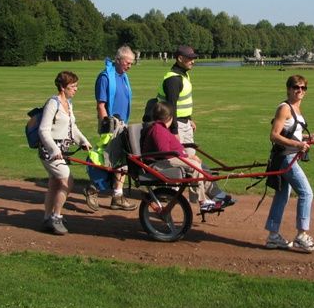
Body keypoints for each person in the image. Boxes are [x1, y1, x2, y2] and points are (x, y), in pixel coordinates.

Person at [154, 45, 234, 206]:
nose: (193, 61)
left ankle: (213, 194)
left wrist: (189, 118)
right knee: (191, 164)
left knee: (195, 162)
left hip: (184, 124)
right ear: (179, 59)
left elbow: (181, 104)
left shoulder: (182, 75)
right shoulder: (173, 79)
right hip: (175, 127)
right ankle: (201, 199)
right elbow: (170, 108)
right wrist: (175, 131)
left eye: (193, 58)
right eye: (190, 58)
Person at [142, 102, 231, 212]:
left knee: (202, 167)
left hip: (167, 160)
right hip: (157, 164)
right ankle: (203, 202)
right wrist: (187, 157)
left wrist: (187, 156)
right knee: (194, 165)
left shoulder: (162, 128)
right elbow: (164, 152)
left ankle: (218, 196)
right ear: (169, 118)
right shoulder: (158, 130)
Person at [264, 74, 314, 252]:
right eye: (296, 87)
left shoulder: (296, 108)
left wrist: (307, 137)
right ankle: (301, 236)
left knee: (282, 195)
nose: (300, 91)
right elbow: (274, 135)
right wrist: (298, 144)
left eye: (303, 88)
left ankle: (273, 237)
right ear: (288, 89)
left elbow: (290, 131)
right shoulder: (285, 108)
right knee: (306, 193)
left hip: (288, 157)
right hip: (285, 159)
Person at [38, 71, 92, 235]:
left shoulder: (68, 104)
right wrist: (54, 150)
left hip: (61, 150)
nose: (76, 89)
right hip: (50, 152)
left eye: (76, 86)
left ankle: (48, 218)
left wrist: (83, 141)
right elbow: (43, 130)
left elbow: (72, 127)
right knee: (67, 181)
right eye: (72, 86)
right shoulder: (52, 103)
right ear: (62, 87)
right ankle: (56, 216)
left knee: (54, 184)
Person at [85, 45, 137, 211]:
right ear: (118, 60)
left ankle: (117, 196)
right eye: (127, 63)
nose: (129, 66)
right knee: (106, 160)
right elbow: (101, 105)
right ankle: (92, 189)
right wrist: (107, 127)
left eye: (131, 63)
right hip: (110, 125)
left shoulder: (123, 76)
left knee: (122, 162)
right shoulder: (105, 77)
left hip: (122, 125)